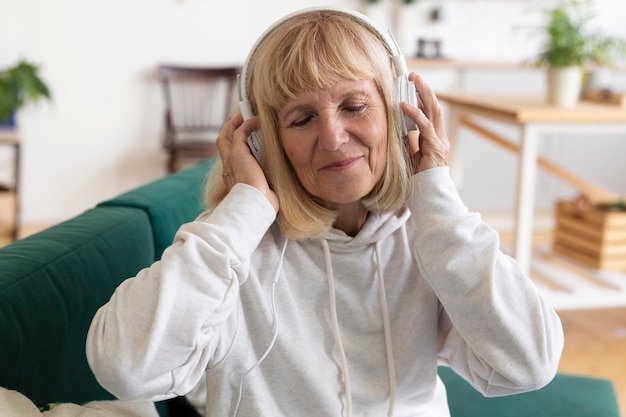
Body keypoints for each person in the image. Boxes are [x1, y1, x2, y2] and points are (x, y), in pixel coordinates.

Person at [86, 7, 564, 417]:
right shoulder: (235, 249)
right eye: (302, 118)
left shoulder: (432, 236)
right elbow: (125, 368)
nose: (334, 138)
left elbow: (529, 363)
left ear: (399, 111)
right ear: (262, 139)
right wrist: (243, 213)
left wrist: (436, 198)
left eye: (355, 106)